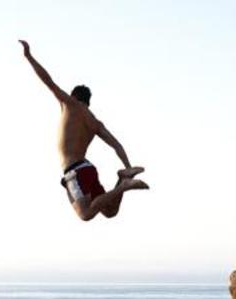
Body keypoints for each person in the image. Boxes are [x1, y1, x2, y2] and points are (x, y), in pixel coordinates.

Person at [19, 40, 148, 221]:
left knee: (85, 214)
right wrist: (128, 166)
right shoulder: (95, 121)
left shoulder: (69, 104)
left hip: (74, 170)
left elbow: (48, 81)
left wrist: (29, 57)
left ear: (73, 96)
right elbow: (116, 145)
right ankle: (122, 178)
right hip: (87, 169)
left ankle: (123, 186)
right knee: (110, 211)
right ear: (88, 102)